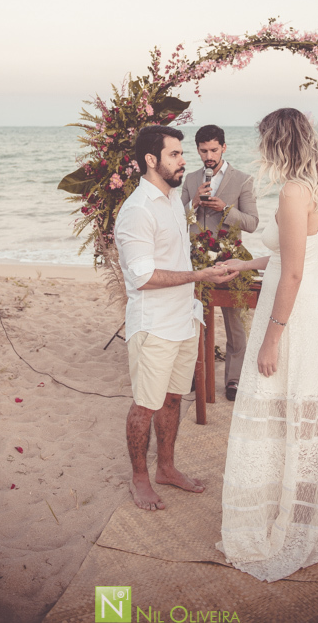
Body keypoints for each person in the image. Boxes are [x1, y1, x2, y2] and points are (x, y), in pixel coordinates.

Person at [217, 108, 318, 581]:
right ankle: (291, 507)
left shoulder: (295, 192)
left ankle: (289, 521)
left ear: (278, 142)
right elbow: (290, 256)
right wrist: (243, 265)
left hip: (294, 316)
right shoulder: (317, 185)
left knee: (281, 406)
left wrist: (271, 338)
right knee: (293, 413)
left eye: (264, 142)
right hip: (306, 307)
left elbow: (293, 271)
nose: (260, 150)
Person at [114, 124, 239, 512]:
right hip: (153, 325)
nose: (185, 160)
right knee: (145, 405)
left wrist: (208, 271)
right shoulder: (137, 211)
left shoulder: (171, 201)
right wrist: (199, 277)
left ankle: (167, 468)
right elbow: (144, 277)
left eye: (183, 153)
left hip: (184, 319)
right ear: (151, 160)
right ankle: (140, 478)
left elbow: (176, 259)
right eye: (175, 154)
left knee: (173, 399)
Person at [181, 124, 259, 400]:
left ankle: (234, 380)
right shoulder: (190, 179)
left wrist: (225, 210)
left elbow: (252, 223)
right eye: (203, 151)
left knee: (235, 325)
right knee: (194, 321)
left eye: (214, 150)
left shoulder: (243, 180)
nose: (208, 156)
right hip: (196, 263)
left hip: (230, 261)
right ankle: (196, 375)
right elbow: (175, 221)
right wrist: (193, 206)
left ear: (224, 147)